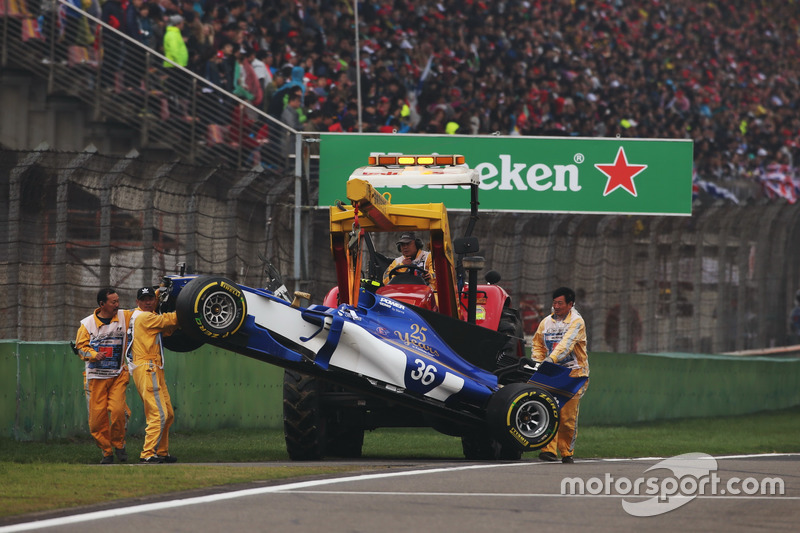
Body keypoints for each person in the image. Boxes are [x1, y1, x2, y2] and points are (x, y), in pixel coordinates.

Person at [531, 287, 589, 464]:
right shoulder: (545, 322)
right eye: (554, 302)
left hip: (574, 375)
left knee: (567, 417)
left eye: (560, 303)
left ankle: (566, 452)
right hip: (551, 373)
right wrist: (538, 363)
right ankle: (548, 450)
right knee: (549, 410)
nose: (556, 306)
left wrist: (550, 359)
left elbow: (567, 345)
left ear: (570, 304)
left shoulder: (577, 321)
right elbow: (538, 344)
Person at [74, 288, 131, 464]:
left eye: (117, 301)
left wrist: (157, 295)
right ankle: (107, 452)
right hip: (95, 379)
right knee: (96, 422)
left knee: (118, 411)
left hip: (117, 376)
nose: (117, 304)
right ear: (102, 304)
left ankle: (119, 445)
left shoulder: (124, 317)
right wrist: (92, 354)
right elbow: (80, 347)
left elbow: (143, 313)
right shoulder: (87, 324)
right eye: (113, 302)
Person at [126, 286, 180, 463]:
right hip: (147, 367)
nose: (148, 302)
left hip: (153, 367)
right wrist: (190, 308)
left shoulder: (138, 314)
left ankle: (162, 452)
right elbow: (169, 320)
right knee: (158, 414)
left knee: (169, 414)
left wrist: (159, 295)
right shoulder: (145, 317)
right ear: (137, 302)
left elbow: (165, 329)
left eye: (151, 298)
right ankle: (147, 454)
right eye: (144, 299)